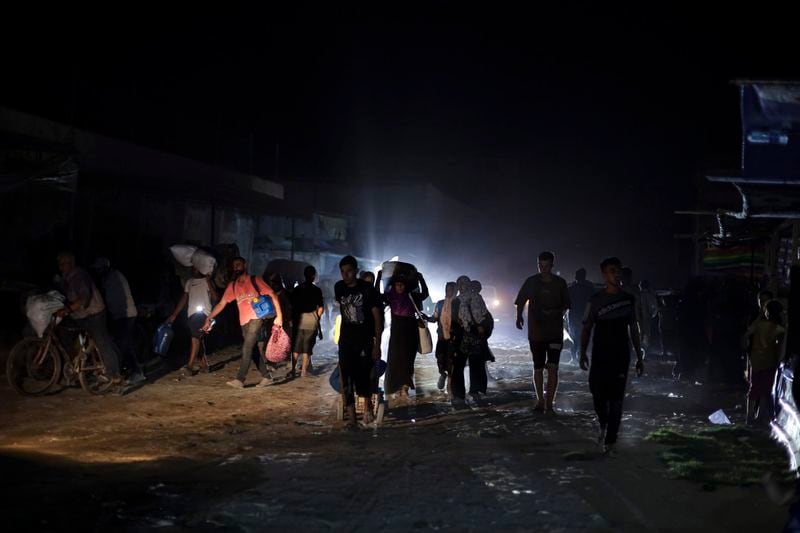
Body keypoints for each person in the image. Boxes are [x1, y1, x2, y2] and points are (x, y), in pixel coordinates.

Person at [579, 256, 644, 455]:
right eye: (611, 271)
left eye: (617, 270)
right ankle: (603, 423)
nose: (615, 274)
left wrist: (640, 357)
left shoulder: (628, 299)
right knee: (597, 392)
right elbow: (587, 327)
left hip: (621, 355)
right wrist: (582, 352)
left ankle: (611, 439)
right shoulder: (596, 300)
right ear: (604, 274)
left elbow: (634, 328)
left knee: (616, 398)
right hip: (600, 354)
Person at [203, 256, 283, 389]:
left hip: (256, 318)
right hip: (243, 322)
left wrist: (279, 316)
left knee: (246, 347)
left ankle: (240, 379)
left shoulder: (254, 280)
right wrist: (209, 317)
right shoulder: (232, 286)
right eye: (234, 266)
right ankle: (267, 377)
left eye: (238, 265)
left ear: (245, 265)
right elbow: (222, 303)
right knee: (253, 350)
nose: (236, 267)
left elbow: (273, 294)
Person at [515, 251, 570, 412]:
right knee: (538, 366)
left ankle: (549, 403)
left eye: (546, 266)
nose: (543, 269)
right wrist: (519, 317)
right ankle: (540, 400)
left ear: (552, 265)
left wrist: (557, 313)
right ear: (538, 265)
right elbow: (521, 300)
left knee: (553, 367)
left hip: (554, 332)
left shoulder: (560, 283)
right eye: (541, 265)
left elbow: (566, 304)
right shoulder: (531, 282)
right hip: (536, 332)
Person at [55, 252, 123, 384]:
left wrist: (68, 309)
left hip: (94, 313)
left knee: (101, 341)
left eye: (63, 264)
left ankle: (114, 374)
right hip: (80, 315)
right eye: (59, 264)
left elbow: (84, 298)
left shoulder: (79, 276)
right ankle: (75, 368)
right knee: (66, 334)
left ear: (71, 264)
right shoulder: (66, 277)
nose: (60, 267)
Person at [335, 255, 382, 427]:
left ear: (356, 271)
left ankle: (368, 406)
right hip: (346, 340)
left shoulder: (368, 290)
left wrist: (377, 345)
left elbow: (378, 318)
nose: (345, 275)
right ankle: (352, 417)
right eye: (342, 272)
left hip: (364, 340)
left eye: (349, 271)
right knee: (345, 377)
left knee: (364, 375)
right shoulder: (339, 288)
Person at [90, 257, 145, 384]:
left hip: (125, 315)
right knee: (119, 344)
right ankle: (123, 371)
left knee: (123, 345)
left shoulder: (113, 277)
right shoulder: (108, 277)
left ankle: (136, 372)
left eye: (98, 269)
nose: (97, 272)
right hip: (120, 315)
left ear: (104, 268)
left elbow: (115, 299)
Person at [167, 266, 219, 375]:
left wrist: (208, 281)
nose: (195, 270)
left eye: (197, 268)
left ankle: (190, 366)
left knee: (195, 338)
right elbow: (184, 298)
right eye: (193, 268)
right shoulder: (189, 282)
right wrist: (174, 315)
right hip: (191, 314)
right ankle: (205, 365)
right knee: (199, 338)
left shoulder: (207, 281)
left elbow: (215, 298)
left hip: (204, 313)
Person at [744, 299, 786, 426]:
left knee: (754, 388)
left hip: (756, 360)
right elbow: (781, 347)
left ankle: (749, 416)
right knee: (765, 389)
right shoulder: (780, 329)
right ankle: (759, 416)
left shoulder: (758, 325)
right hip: (770, 361)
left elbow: (747, 334)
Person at [383, 274, 422, 398]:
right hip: (397, 335)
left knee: (408, 360)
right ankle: (396, 387)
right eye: (397, 285)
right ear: (393, 286)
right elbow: (377, 295)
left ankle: (405, 386)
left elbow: (425, 294)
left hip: (411, 332)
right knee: (395, 360)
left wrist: (421, 279)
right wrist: (380, 278)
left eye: (402, 285)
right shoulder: (390, 297)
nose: (400, 287)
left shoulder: (411, 297)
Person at [290, 265, 324, 377]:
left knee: (295, 348)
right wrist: (316, 318)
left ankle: (293, 370)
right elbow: (321, 308)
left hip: (298, 322)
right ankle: (304, 371)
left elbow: (292, 306)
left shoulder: (297, 289)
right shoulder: (317, 290)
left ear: (304, 275)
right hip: (311, 322)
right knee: (307, 348)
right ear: (313, 276)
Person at [427, 282, 456, 390]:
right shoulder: (440, 304)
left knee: (451, 362)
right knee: (440, 359)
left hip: (453, 338)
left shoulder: (458, 304)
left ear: (455, 291)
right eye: (447, 289)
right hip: (441, 337)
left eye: (451, 290)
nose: (449, 292)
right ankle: (442, 375)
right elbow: (434, 318)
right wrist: (426, 318)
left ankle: (450, 387)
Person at [567, 268, 595, 363]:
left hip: (574, 317)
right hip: (585, 316)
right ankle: (581, 356)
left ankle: (574, 358)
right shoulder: (590, 288)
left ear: (576, 276)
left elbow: (566, 304)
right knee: (584, 337)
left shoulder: (571, 288)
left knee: (574, 338)